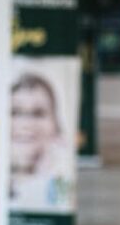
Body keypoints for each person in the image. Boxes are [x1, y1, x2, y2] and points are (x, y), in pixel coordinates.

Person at [10, 72, 73, 206]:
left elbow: (60, 205)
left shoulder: (60, 180)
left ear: (56, 126)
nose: (25, 124)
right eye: (15, 112)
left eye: (38, 113)